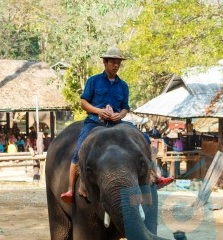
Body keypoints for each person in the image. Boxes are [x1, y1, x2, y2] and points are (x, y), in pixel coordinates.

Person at [60, 46, 173, 204]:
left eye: (118, 63)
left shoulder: (123, 86)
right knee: (79, 150)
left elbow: (125, 107)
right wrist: (98, 111)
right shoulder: (94, 81)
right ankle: (71, 189)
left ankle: (155, 176)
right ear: (105, 62)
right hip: (94, 122)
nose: (116, 65)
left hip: (117, 123)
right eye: (113, 62)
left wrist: (120, 115)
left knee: (144, 139)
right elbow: (83, 102)